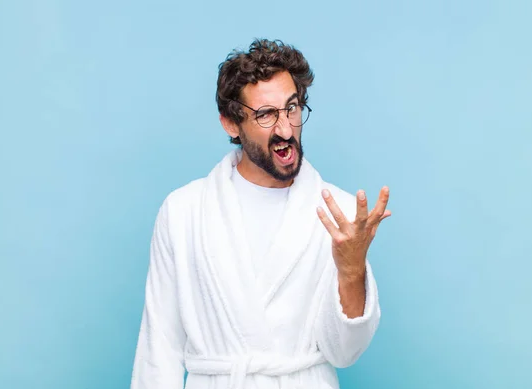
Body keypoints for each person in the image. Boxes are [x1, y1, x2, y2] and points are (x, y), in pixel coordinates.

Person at [130, 38, 391, 389]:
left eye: (293, 108)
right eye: (266, 114)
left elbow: (344, 353)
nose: (285, 129)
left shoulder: (340, 214)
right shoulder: (184, 212)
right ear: (231, 123)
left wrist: (351, 270)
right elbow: (159, 347)